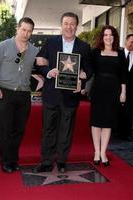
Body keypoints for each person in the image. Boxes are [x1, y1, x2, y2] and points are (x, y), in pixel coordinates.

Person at [33, 12, 92, 173]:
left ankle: (62, 161)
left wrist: (83, 79)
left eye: (72, 24)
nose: (69, 27)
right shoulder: (50, 42)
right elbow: (38, 61)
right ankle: (46, 162)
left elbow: (88, 69)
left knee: (66, 131)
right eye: (66, 23)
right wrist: (47, 71)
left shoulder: (84, 47)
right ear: (61, 25)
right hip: (51, 94)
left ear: (77, 26)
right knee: (48, 130)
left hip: (71, 97)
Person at [0, 17, 38, 173]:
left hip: (24, 95)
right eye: (23, 29)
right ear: (17, 28)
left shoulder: (34, 51)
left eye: (29, 31)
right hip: (5, 93)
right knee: (5, 129)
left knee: (19, 129)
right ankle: (5, 161)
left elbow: (40, 69)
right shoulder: (4, 46)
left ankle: (13, 159)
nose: (26, 33)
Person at [89, 25, 127, 166]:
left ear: (114, 37)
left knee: (108, 122)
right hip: (98, 90)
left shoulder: (121, 53)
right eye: (105, 35)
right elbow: (88, 69)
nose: (108, 37)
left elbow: (123, 75)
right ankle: (96, 152)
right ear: (102, 37)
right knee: (96, 122)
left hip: (113, 90)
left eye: (111, 35)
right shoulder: (95, 52)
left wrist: (123, 92)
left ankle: (104, 152)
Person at [117, 34, 133, 140]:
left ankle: (126, 133)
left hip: (131, 89)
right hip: (118, 88)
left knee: (129, 111)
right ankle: (115, 131)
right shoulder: (118, 54)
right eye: (131, 42)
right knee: (118, 109)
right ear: (126, 41)